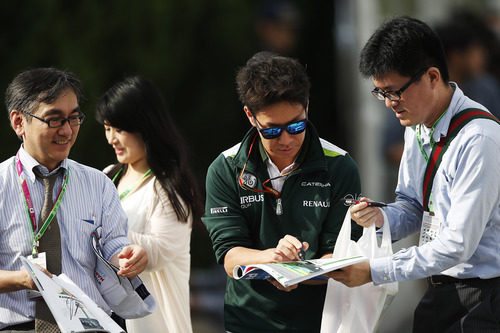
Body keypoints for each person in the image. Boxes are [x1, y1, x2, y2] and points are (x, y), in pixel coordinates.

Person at [329, 16, 500, 332]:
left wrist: (374, 270)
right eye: (380, 93)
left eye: (395, 92)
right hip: (440, 291)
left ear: (433, 76)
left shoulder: (479, 138)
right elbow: (412, 207)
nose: (390, 104)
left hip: (485, 297)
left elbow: (457, 245)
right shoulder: (418, 128)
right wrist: (378, 219)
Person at [202, 51, 362, 332]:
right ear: (250, 116)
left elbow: (342, 255)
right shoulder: (225, 168)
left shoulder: (339, 165)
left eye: (297, 126)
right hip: (248, 321)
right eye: (272, 131)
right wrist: (273, 258)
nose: (286, 140)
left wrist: (298, 271)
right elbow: (230, 255)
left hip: (323, 321)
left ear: (307, 106)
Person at [0, 68, 148, 332]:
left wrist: (128, 256)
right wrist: (22, 279)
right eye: (54, 119)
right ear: (19, 122)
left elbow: (115, 246)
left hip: (93, 325)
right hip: (21, 326)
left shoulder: (98, 184)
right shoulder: (2, 184)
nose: (67, 131)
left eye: (74, 118)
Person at [96, 76, 202, 333]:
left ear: (145, 126)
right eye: (108, 128)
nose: (112, 139)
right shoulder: (108, 175)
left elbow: (161, 249)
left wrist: (96, 232)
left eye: (119, 129)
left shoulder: (169, 186)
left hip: (154, 324)